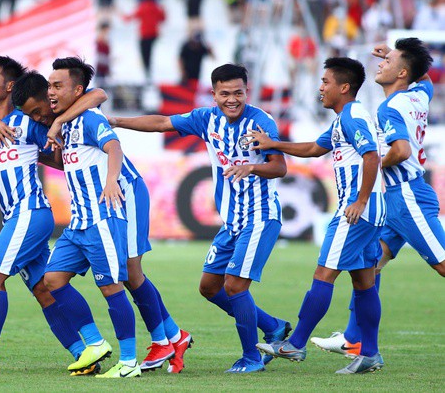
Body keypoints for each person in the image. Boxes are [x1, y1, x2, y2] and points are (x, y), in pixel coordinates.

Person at [10, 64, 192, 375]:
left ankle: (164, 340)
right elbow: (65, 160)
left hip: (123, 192)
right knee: (123, 276)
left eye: (40, 110)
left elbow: (99, 95)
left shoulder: (81, 112)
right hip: (88, 210)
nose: (40, 118)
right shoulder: (58, 121)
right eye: (34, 116)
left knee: (130, 275)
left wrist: (109, 178)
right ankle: (172, 336)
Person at [108, 63, 290, 373]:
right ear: (214, 94)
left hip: (260, 216)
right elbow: (163, 122)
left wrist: (252, 167)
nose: (232, 99)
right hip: (231, 222)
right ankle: (272, 327)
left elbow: (280, 167)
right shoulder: (207, 118)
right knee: (209, 287)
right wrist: (116, 121)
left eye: (238, 93)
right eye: (225, 94)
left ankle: (252, 357)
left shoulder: (261, 123)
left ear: (247, 91)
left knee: (235, 286)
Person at [0, 55, 108, 374]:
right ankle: (87, 352)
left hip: (31, 211)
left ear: (10, 85)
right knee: (44, 290)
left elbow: (59, 151)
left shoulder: (28, 122)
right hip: (17, 217)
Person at [311, 39, 445, 358]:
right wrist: (402, 60)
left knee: (442, 265)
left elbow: (400, 151)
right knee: (371, 266)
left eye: (390, 60)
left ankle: (353, 338)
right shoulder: (418, 94)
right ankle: (354, 339)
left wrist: (367, 163)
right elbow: (423, 78)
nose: (381, 63)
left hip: (405, 197)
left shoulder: (390, 107)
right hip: (400, 198)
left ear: (402, 72)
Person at [253, 57, 386, 375]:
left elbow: (372, 155)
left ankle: (295, 343)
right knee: (364, 282)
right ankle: (369, 354)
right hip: (372, 209)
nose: (320, 87)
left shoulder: (353, 116)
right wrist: (274, 144)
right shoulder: (343, 119)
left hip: (357, 210)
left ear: (344, 87)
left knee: (323, 274)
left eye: (325, 82)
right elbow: (315, 147)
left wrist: (360, 200)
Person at [122, 0, 166, 81]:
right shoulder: (156, 7)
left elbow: (129, 18)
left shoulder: (142, 7)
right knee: (149, 51)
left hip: (144, 34)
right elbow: (163, 19)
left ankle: (146, 69)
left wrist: (122, 15)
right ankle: (148, 68)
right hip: (154, 34)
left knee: (144, 52)